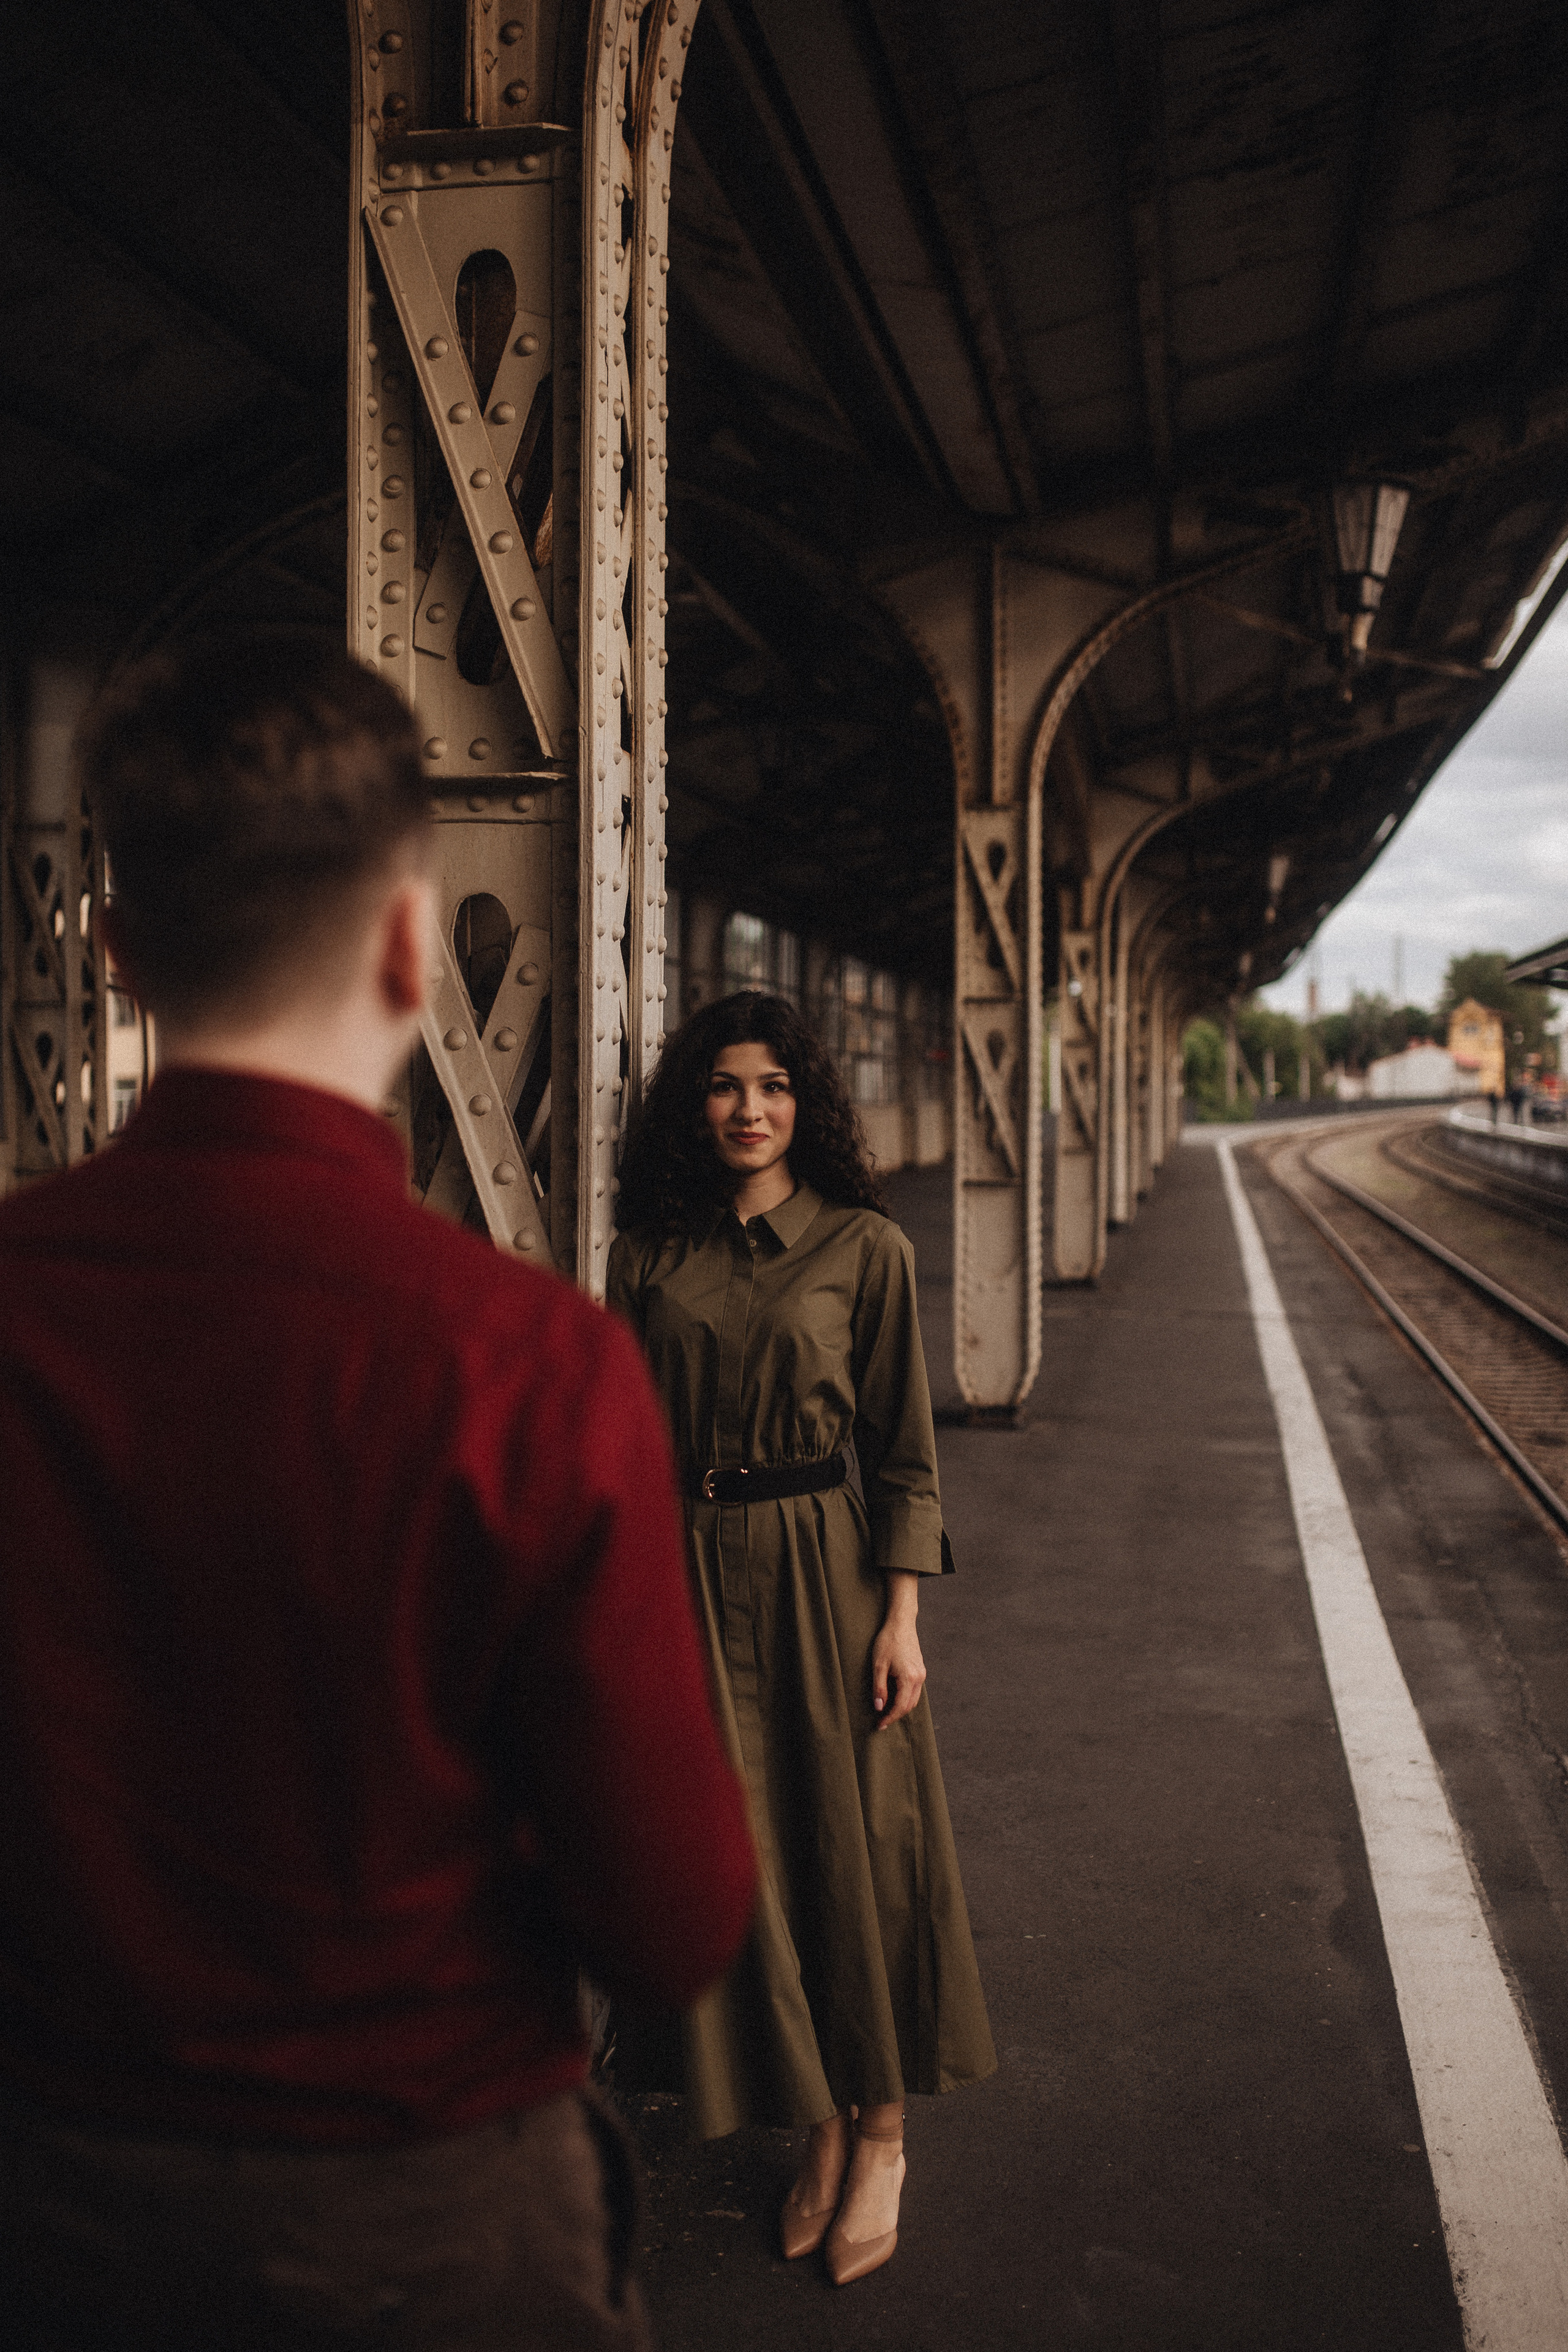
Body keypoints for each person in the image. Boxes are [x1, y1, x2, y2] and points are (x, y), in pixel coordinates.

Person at [0, 636, 756, 2351]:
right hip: (433, 2219)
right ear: (414, 946)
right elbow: (673, 1917)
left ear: (117, 958)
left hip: (46, 2208)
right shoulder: (526, 1364)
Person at [606, 990, 995, 2289]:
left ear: (803, 1103)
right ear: (692, 1104)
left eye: (772, 1086)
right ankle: (819, 2130)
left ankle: (881, 2136)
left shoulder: (860, 1247)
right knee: (750, 1860)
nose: (747, 1109)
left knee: (855, 1855)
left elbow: (901, 1451)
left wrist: (901, 1617)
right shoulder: (646, 1253)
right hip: (682, 1571)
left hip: (820, 1577)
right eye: (723, 1086)